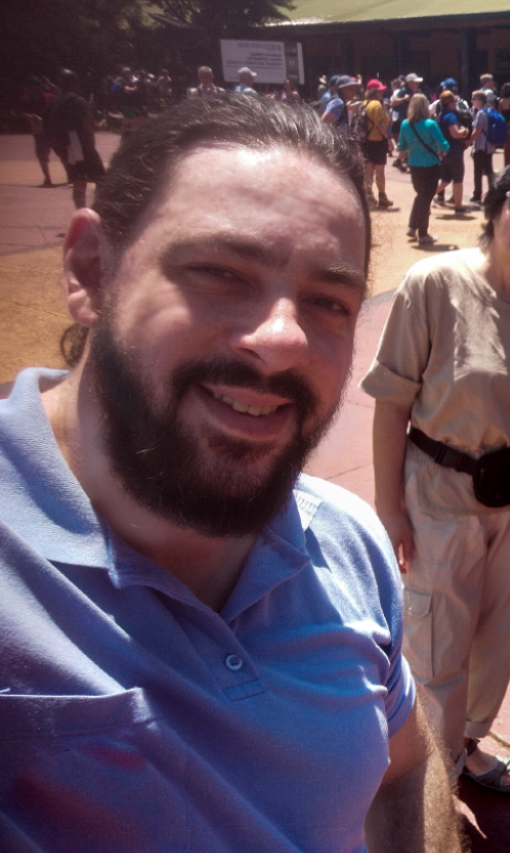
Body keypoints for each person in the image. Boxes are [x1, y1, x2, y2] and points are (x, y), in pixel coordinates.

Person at [0, 93, 461, 853]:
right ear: (90, 267)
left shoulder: (346, 540)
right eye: (219, 271)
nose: (283, 338)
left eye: (328, 300)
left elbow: (402, 764)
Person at [363, 155, 510, 796]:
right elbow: (392, 403)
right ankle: (427, 784)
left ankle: (464, 743)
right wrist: (389, 508)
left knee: (499, 636)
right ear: (497, 203)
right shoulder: (434, 282)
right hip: (438, 496)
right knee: (436, 647)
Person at [44, 69, 105, 209]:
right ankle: (99, 211)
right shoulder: (78, 101)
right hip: (81, 146)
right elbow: (90, 126)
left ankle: (81, 215)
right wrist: (103, 126)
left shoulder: (54, 102)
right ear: (74, 84)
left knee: (78, 182)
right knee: (101, 179)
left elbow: (46, 126)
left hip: (64, 147)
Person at [398, 92, 450, 245]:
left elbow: (402, 146)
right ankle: (423, 234)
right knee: (426, 199)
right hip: (431, 165)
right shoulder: (431, 124)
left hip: (414, 165)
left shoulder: (405, 124)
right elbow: (443, 145)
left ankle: (412, 226)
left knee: (421, 195)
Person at [17, 75, 60, 188]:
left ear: (39, 87)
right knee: (42, 156)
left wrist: (52, 86)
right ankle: (47, 178)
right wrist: (30, 116)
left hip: (53, 130)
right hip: (39, 131)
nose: (31, 89)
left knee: (63, 153)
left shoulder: (49, 97)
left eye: (34, 86)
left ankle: (71, 176)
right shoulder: (25, 99)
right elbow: (21, 113)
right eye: (29, 87)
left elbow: (61, 95)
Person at [434, 89, 470, 215]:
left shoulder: (441, 115)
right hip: (454, 150)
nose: (455, 104)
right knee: (458, 179)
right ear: (449, 102)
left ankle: (426, 199)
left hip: (444, 151)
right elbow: (455, 134)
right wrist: (465, 131)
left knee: (445, 179)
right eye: (453, 101)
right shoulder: (450, 116)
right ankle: (459, 208)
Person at [360, 79, 395, 210]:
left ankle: (368, 197)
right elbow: (380, 125)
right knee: (380, 171)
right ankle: (382, 197)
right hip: (378, 141)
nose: (382, 92)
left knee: (368, 172)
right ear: (374, 91)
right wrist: (388, 139)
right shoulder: (376, 105)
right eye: (380, 90)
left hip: (365, 141)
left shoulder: (363, 104)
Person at [469, 90, 497, 206]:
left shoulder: (481, 113)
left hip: (481, 146)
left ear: (480, 100)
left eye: (473, 99)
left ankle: (477, 195)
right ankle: (493, 195)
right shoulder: (491, 110)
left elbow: (477, 131)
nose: (472, 101)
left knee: (478, 172)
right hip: (489, 146)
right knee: (489, 171)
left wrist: (468, 142)